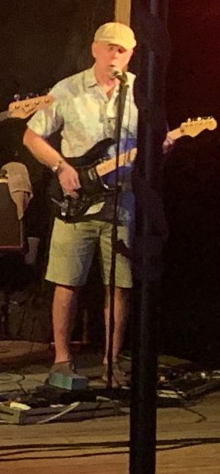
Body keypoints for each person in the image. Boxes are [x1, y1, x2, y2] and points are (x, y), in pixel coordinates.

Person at [23, 22, 142, 389]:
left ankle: (111, 362)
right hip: (75, 201)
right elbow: (31, 136)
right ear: (94, 49)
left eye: (122, 50)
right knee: (67, 281)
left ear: (131, 54)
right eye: (109, 48)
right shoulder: (68, 89)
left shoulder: (139, 92)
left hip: (121, 199)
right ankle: (61, 359)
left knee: (118, 285)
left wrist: (162, 148)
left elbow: (151, 143)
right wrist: (61, 167)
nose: (115, 56)